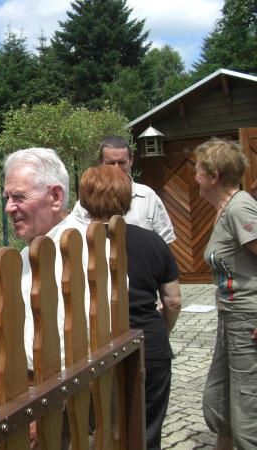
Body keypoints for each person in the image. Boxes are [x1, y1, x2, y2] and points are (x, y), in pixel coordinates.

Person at [78, 165, 182, 450]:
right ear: (127, 198)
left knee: (97, 433)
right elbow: (173, 299)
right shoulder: (153, 241)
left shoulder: (74, 243)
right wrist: (164, 330)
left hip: (94, 350)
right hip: (149, 346)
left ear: (84, 199)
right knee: (146, 433)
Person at [0, 147, 87, 369]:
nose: (9, 208)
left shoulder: (82, 253)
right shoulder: (25, 257)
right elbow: (24, 329)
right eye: (7, 197)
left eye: (19, 197)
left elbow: (69, 351)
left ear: (55, 197)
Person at [194, 138, 257, 450]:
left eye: (198, 170)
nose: (195, 177)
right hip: (230, 317)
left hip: (249, 319)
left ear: (213, 175)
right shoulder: (224, 210)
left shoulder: (240, 208)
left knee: (248, 404)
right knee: (219, 398)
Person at [71, 136, 175, 244]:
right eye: (110, 163)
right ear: (100, 162)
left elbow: (165, 242)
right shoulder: (86, 202)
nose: (116, 168)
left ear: (131, 160)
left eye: (121, 163)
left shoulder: (148, 197)